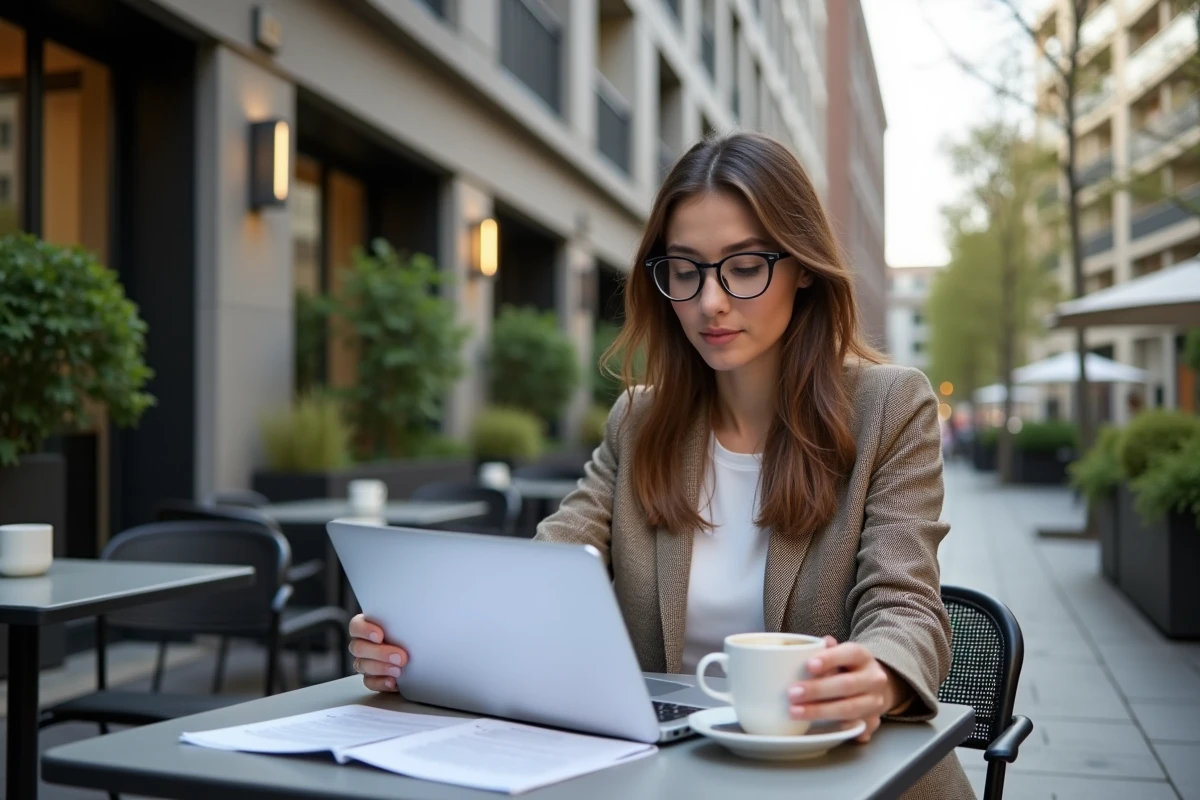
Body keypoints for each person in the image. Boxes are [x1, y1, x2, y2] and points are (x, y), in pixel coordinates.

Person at [348, 132, 971, 798]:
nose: (710, 302)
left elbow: (907, 607)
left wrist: (876, 674)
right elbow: (547, 572)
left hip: (838, 778)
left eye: (744, 266)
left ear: (803, 266)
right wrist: (419, 641)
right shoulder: (641, 422)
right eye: (685, 269)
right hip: (671, 778)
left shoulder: (888, 406)